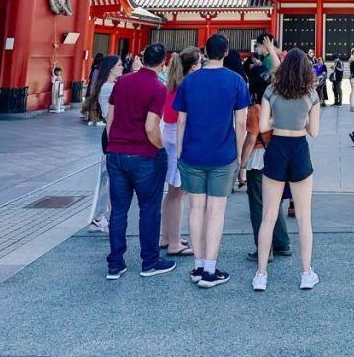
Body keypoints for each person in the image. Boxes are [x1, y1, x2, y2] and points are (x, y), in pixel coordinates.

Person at [174, 33, 250, 288]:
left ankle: (197, 265)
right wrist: (239, 153)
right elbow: (241, 122)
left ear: (205, 52)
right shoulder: (236, 81)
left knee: (196, 208)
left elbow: (181, 121)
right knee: (216, 210)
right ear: (226, 53)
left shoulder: (189, 81)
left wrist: (180, 151)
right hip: (223, 154)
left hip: (193, 153)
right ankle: (210, 268)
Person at [253, 48, 320, 291]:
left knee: (268, 215)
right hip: (299, 147)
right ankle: (306, 272)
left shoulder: (271, 91)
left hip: (277, 146)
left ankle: (261, 274)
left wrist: (276, 120)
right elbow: (314, 131)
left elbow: (262, 126)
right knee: (304, 217)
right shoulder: (311, 94)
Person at [104, 42, 173, 280]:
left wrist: (114, 145)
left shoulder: (122, 82)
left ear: (142, 59)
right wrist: (161, 147)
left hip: (116, 152)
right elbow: (151, 126)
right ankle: (149, 261)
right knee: (149, 208)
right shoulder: (158, 88)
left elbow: (110, 119)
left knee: (118, 211)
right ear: (164, 61)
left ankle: (115, 263)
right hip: (144, 154)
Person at [241, 63, 292, 263]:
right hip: (278, 155)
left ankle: (264, 249)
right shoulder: (279, 102)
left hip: (259, 157)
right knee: (274, 202)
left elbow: (251, 139)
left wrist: (241, 164)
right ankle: (282, 243)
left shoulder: (255, 109)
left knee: (257, 204)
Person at [160, 47, 201, 255]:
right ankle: (175, 242)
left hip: (168, 133)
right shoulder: (189, 85)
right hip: (179, 137)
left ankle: (167, 236)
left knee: (171, 191)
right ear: (194, 67)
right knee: (178, 192)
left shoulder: (173, 83)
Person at [88, 54, 123, 231]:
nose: (122, 68)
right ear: (111, 68)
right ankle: (101, 215)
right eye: (119, 65)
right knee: (110, 178)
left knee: (107, 177)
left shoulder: (107, 86)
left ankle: (101, 215)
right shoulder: (110, 87)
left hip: (110, 132)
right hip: (112, 132)